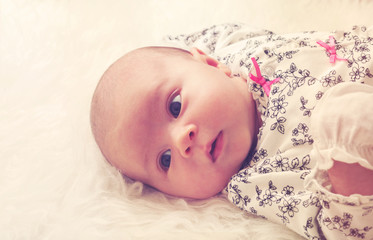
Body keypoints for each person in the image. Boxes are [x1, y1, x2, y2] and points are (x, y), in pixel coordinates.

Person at [90, 23, 373, 239]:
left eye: (175, 106)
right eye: (165, 160)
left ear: (211, 64)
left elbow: (178, 44)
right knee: (339, 119)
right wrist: (347, 156)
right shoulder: (255, 185)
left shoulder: (234, 48)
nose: (180, 142)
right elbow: (339, 228)